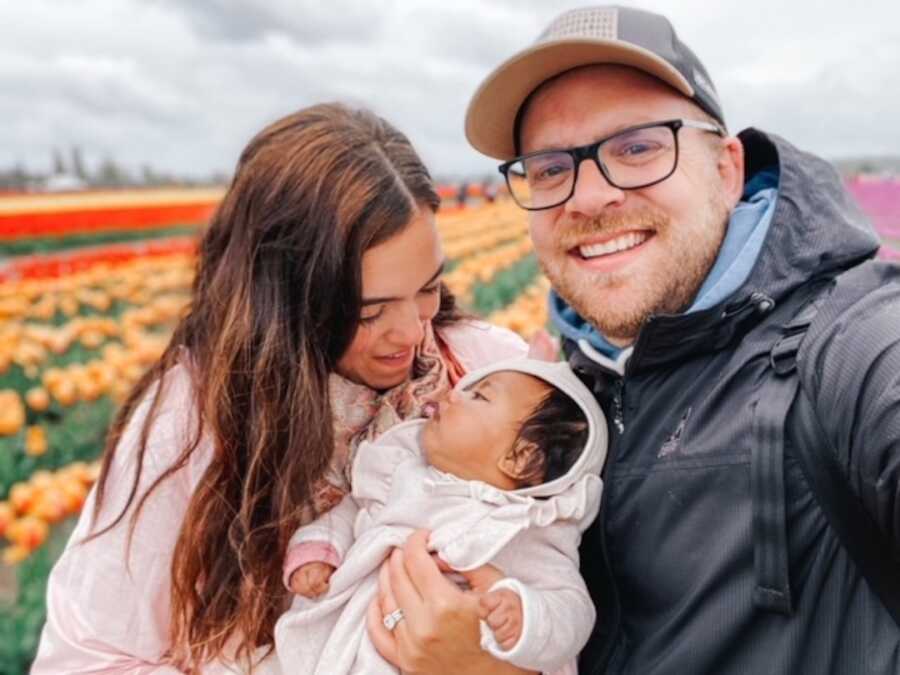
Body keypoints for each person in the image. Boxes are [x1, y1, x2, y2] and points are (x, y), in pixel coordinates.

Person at [443, 5, 900, 675]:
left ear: (727, 169)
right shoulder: (563, 391)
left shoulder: (849, 342)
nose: (589, 197)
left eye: (637, 147)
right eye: (548, 168)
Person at [30, 103, 529, 674]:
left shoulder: (488, 373)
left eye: (428, 288)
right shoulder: (195, 420)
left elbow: (570, 585)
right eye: (368, 312)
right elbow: (83, 661)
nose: (413, 332)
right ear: (285, 303)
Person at [276, 358, 605, 675]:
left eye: (478, 395)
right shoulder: (404, 472)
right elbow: (353, 511)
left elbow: (573, 609)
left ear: (520, 458)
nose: (452, 392)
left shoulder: (528, 529)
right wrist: (319, 548)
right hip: (357, 644)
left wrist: (524, 612)